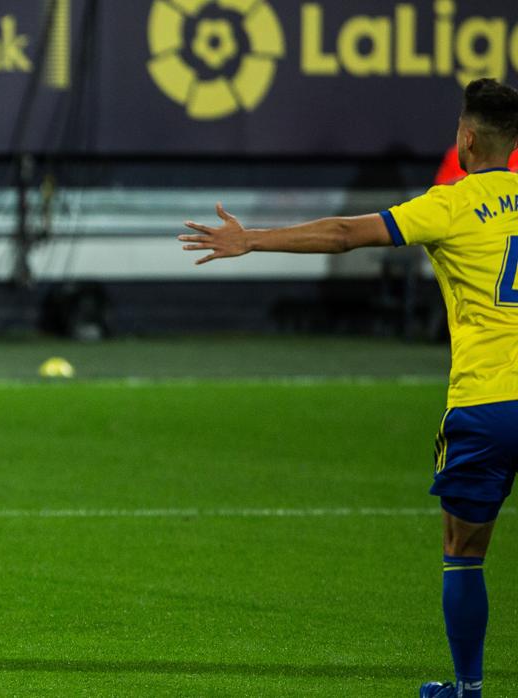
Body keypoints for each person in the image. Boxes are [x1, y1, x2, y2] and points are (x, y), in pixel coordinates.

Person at [177, 78, 518, 698]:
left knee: (463, 550)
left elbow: (342, 233)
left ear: (466, 139)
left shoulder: (448, 203)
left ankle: (468, 691)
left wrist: (249, 239)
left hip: (488, 402)